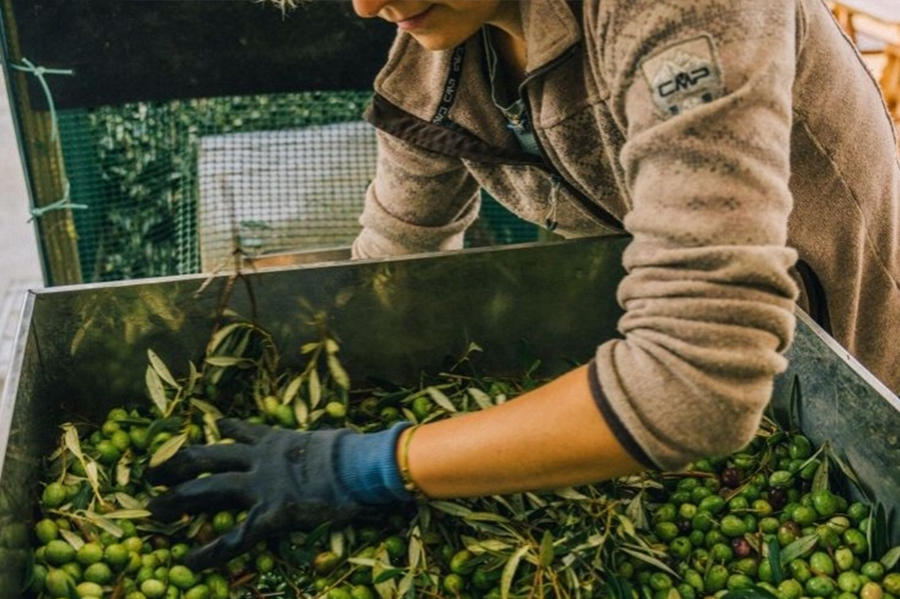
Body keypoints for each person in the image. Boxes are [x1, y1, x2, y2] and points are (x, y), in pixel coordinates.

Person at [149, 0, 900, 569]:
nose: (365, 6)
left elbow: (697, 380)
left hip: (847, 383)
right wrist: (320, 393)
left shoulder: (683, 15)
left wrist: (369, 465)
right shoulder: (445, 55)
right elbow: (393, 262)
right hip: (664, 403)